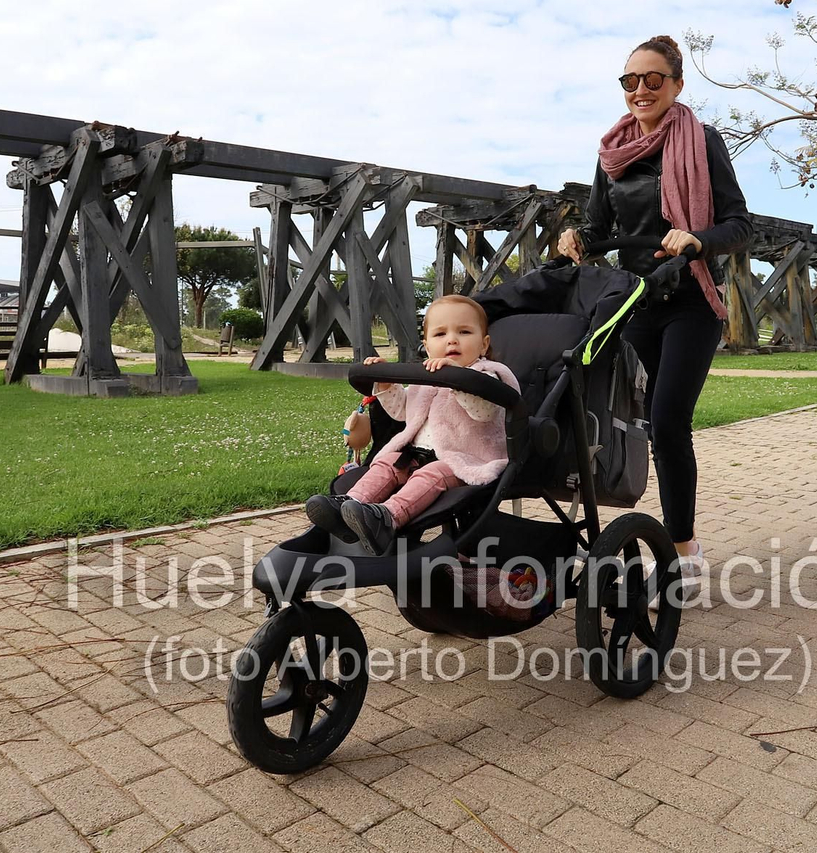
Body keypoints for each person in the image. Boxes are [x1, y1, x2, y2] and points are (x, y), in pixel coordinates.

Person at [557, 34, 752, 600]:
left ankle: (684, 548)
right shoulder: (611, 154)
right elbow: (598, 229)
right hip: (634, 301)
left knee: (668, 423)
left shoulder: (702, 141)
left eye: (653, 80)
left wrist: (696, 238)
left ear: (677, 85)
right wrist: (577, 236)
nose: (640, 90)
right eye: (630, 81)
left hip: (689, 301)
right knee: (612, 414)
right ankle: (613, 528)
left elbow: (740, 225)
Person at [306, 295, 520, 556]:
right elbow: (404, 412)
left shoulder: (487, 375)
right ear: (427, 347)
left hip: (462, 459)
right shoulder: (426, 377)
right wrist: (386, 383)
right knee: (388, 463)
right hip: (416, 455)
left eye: (464, 332)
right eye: (440, 334)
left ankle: (387, 518)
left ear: (484, 344)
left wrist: (459, 379)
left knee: (430, 476)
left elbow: (484, 412)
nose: (452, 339)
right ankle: (350, 505)